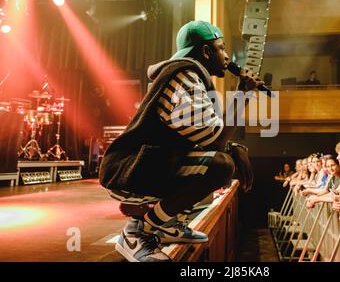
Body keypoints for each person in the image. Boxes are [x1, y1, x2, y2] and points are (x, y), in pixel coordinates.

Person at [99, 20, 263, 262]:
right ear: (206, 52)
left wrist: (233, 147)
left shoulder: (189, 76)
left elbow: (206, 138)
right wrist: (244, 94)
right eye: (222, 48)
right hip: (130, 171)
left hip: (152, 164)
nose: (227, 56)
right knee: (221, 166)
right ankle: (137, 231)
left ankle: (167, 224)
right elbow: (215, 140)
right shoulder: (184, 76)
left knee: (220, 168)